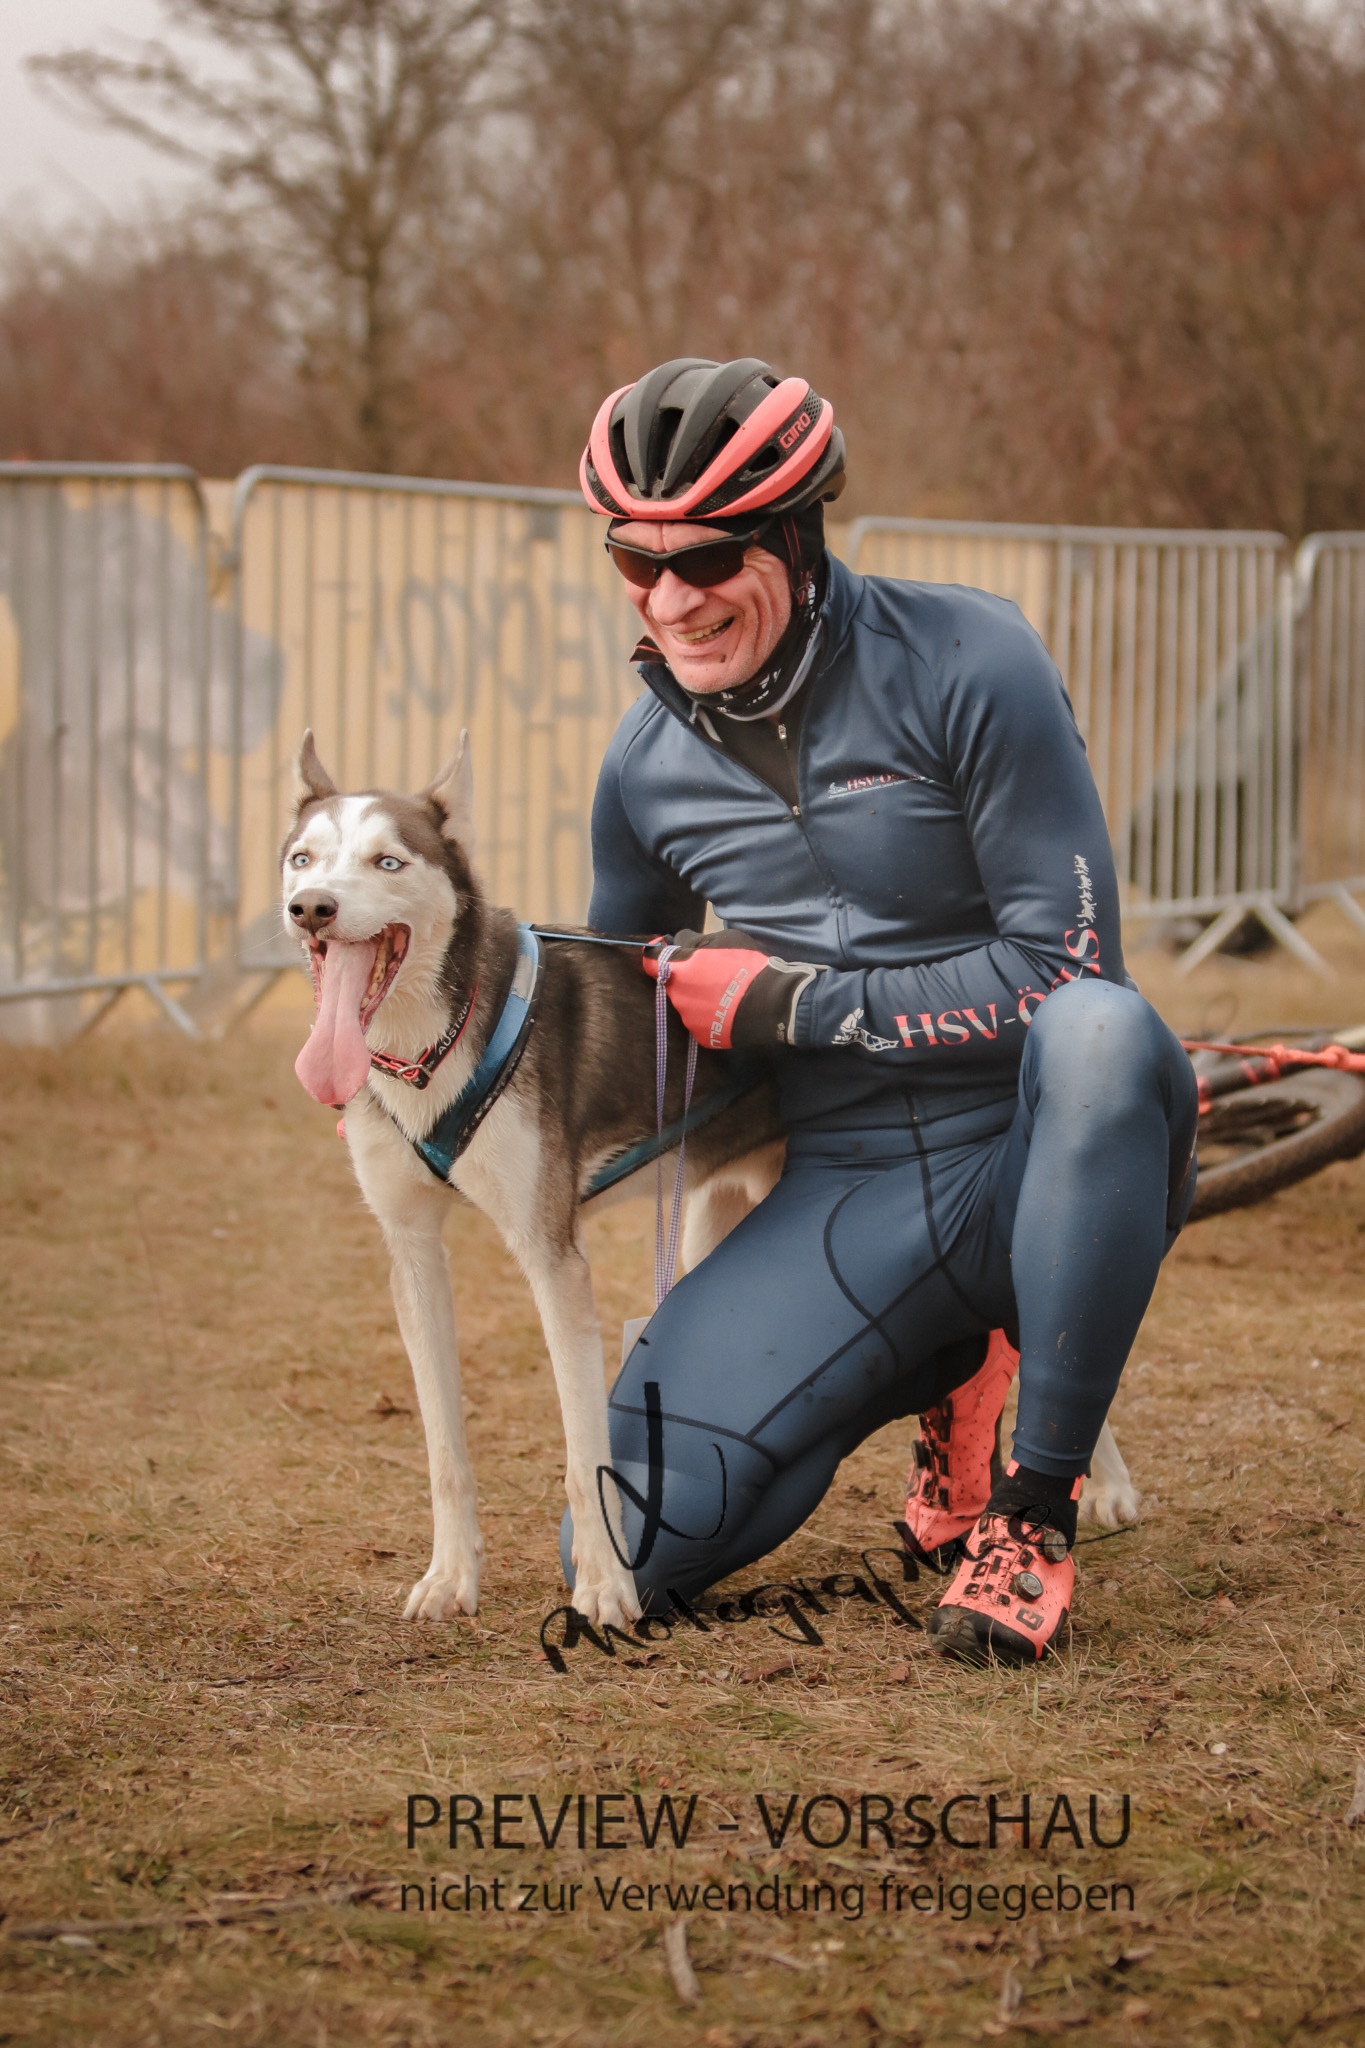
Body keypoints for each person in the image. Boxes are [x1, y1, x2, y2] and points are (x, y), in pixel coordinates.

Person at [564, 356, 1197, 1663]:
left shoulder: (970, 657)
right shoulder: (641, 765)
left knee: (1103, 1031)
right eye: (637, 562)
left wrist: (791, 1003)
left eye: (709, 557)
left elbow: (1065, 969)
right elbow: (626, 1016)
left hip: (1039, 1145)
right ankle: (950, 1363)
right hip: (846, 1189)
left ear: (797, 539)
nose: (672, 601)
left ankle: (1030, 1509)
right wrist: (419, 1050)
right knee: (618, 1543)